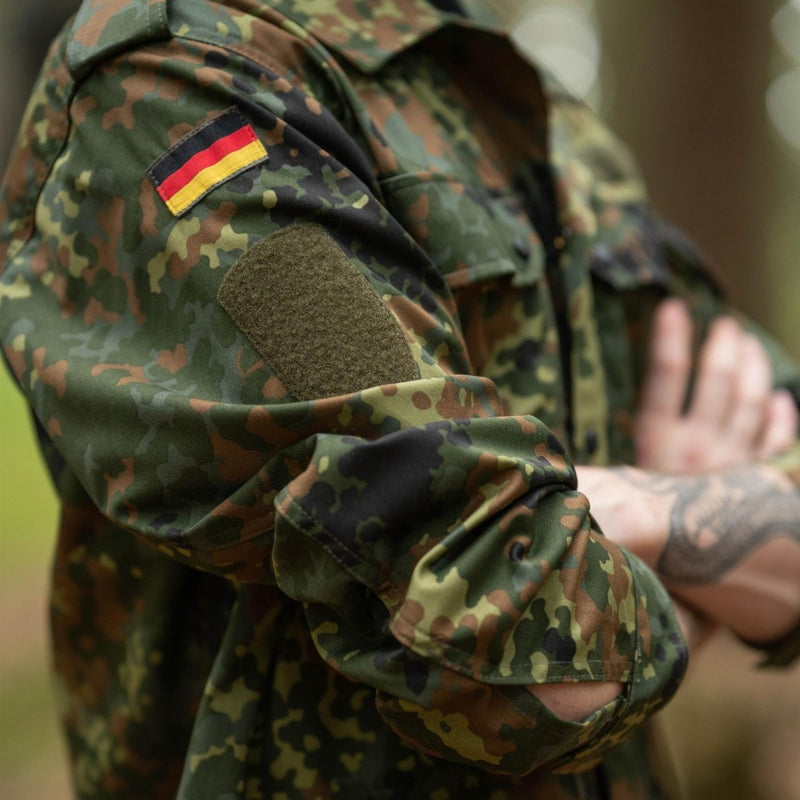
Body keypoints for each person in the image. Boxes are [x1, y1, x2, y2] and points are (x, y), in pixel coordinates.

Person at [0, 0, 798, 797]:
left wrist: (641, 514)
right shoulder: (182, 81)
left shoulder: (513, 90)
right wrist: (703, 537)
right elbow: (532, 648)